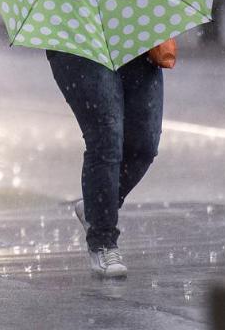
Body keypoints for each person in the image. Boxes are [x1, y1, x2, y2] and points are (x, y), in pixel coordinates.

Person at [45, 49, 164, 278]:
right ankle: (103, 241)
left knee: (144, 144)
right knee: (106, 137)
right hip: (78, 41)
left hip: (135, 38)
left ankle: (95, 209)